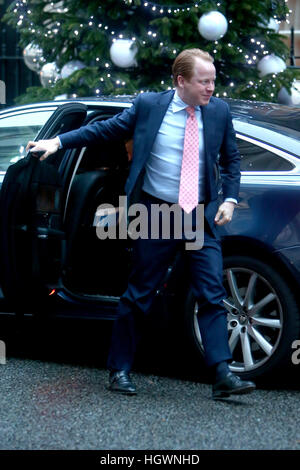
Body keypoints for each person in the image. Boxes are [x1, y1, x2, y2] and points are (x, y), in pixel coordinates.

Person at [26, 48, 255, 400]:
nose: (211, 88)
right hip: (157, 214)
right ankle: (119, 370)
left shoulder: (219, 112)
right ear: (181, 81)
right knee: (140, 293)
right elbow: (105, 129)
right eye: (204, 81)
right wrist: (58, 141)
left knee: (211, 293)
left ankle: (222, 373)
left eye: (213, 81)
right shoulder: (150, 106)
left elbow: (232, 159)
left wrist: (228, 198)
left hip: (197, 216)